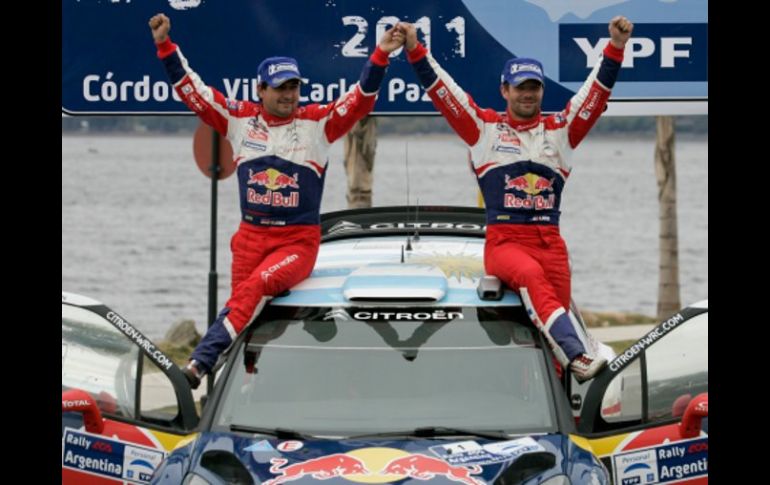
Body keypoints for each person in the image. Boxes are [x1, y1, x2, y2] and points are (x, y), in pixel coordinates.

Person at [148, 13, 405, 388]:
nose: (288, 94)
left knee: (255, 290)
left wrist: (381, 55)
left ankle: (198, 365)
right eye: (280, 87)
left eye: (294, 87)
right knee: (243, 320)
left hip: (296, 242)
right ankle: (245, 391)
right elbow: (194, 93)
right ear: (261, 90)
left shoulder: (316, 123)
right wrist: (164, 46)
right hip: (249, 239)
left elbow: (360, 100)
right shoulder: (239, 120)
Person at [399, 17, 633, 382]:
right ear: (504, 90)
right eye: (520, 87)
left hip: (551, 242)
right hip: (505, 243)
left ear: (541, 91)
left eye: (534, 87)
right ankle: (578, 356)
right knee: (531, 277)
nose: (528, 94)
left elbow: (594, 94)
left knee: (553, 324)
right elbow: (444, 92)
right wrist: (415, 50)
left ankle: (556, 389)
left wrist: (615, 47)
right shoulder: (484, 130)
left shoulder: (561, 132)